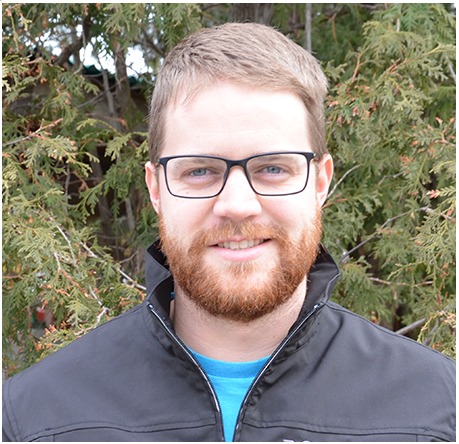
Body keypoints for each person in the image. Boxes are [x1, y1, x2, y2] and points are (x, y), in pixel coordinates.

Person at [2, 23, 455, 442]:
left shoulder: (436, 410)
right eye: (199, 170)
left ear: (320, 182)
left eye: (273, 167)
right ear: (156, 188)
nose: (237, 205)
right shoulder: (36, 418)